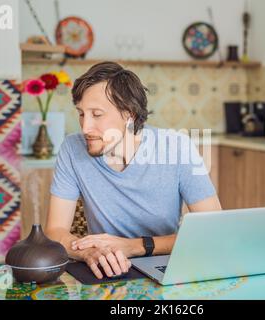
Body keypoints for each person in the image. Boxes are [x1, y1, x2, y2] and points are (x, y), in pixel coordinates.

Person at [45, 61, 222, 279]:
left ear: (128, 115)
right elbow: (55, 231)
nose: (85, 127)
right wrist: (90, 252)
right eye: (81, 113)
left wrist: (135, 246)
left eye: (97, 114)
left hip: (167, 267)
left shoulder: (177, 147)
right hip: (106, 271)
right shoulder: (72, 149)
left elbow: (213, 231)